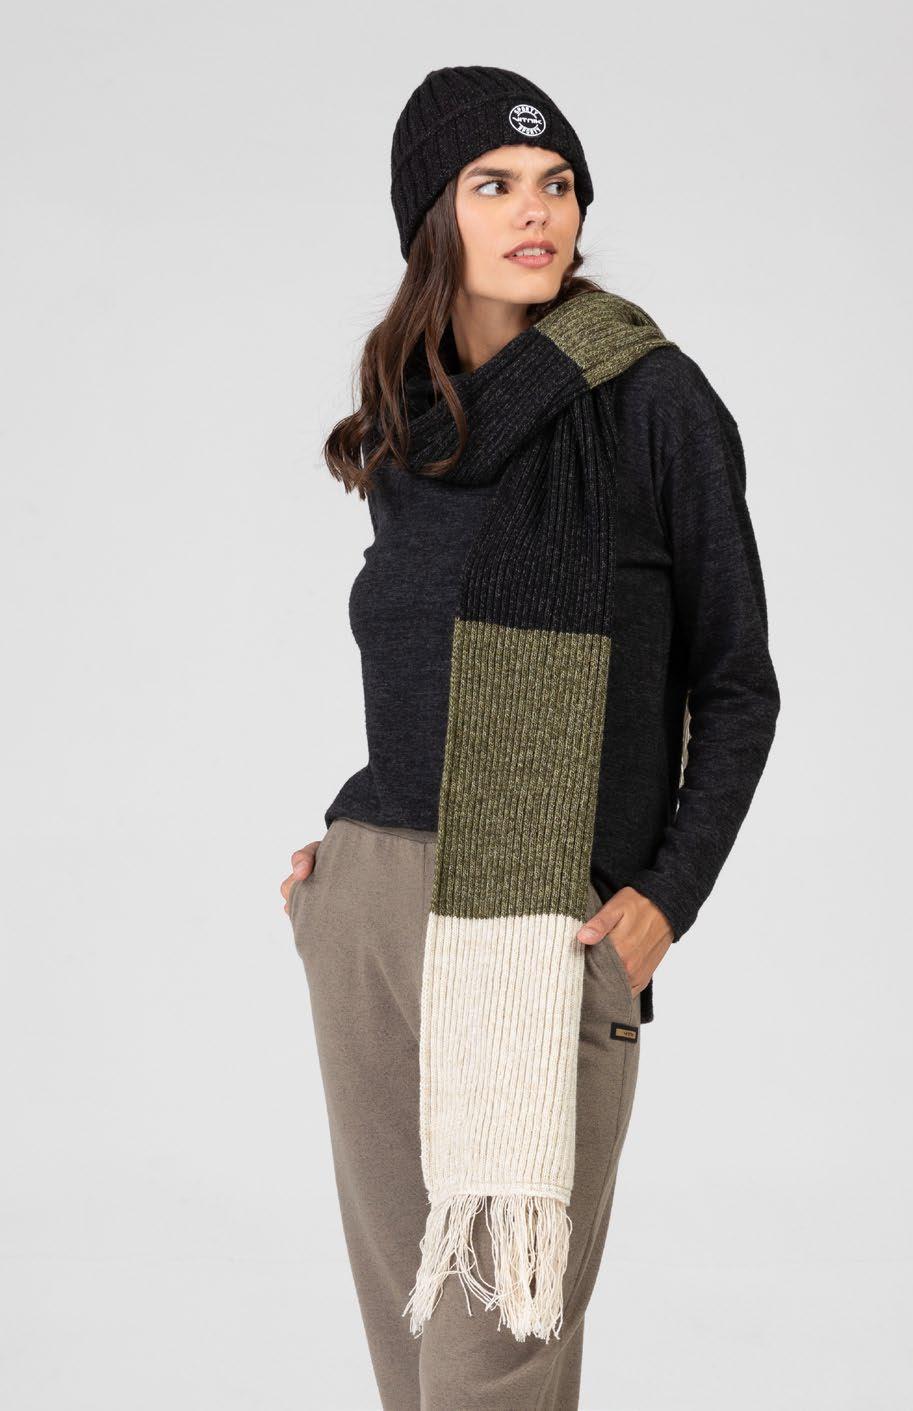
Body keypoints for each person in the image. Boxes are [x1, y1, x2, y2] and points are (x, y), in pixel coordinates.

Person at [281, 64, 781, 1411]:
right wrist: (337, 867)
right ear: (431, 218)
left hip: (542, 931)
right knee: (411, 1372)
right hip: (372, 916)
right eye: (494, 183)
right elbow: (417, 680)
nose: (536, 211)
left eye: (556, 183)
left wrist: (664, 901)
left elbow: (736, 685)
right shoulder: (414, 432)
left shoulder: (656, 402)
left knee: (490, 1372)